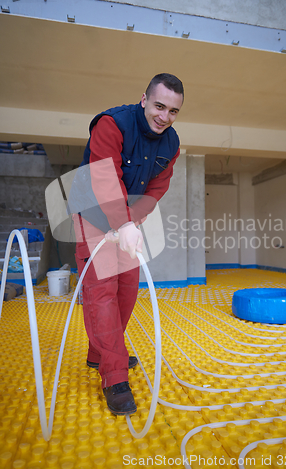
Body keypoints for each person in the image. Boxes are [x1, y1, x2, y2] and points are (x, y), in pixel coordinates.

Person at [72, 73, 184, 415]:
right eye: (159, 106)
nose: (164, 116)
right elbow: (104, 177)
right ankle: (115, 376)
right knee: (101, 291)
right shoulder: (112, 124)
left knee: (126, 290)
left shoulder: (172, 143)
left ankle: (100, 354)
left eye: (173, 111)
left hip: (127, 218)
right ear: (144, 99)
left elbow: (157, 187)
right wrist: (118, 223)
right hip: (93, 212)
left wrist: (132, 221)